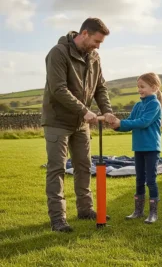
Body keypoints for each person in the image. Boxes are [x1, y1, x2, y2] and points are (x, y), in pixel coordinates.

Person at [41, 17, 115, 232]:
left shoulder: (94, 57)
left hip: (81, 124)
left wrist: (107, 112)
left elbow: (100, 88)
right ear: (84, 34)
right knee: (57, 169)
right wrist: (84, 111)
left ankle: (85, 210)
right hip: (57, 121)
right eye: (96, 41)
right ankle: (58, 219)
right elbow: (58, 89)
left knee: (83, 166)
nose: (98, 46)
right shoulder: (58, 53)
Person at [109, 72, 162, 224]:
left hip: (152, 148)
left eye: (142, 86)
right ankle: (138, 211)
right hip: (139, 147)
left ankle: (153, 213)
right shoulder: (137, 105)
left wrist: (122, 123)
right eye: (138, 87)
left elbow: (143, 122)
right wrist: (117, 126)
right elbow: (129, 122)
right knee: (139, 179)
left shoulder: (154, 104)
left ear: (154, 87)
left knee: (151, 180)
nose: (139, 90)